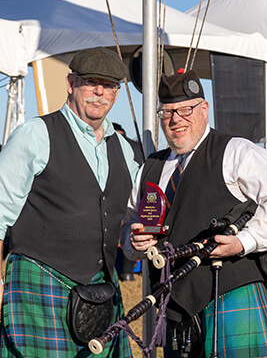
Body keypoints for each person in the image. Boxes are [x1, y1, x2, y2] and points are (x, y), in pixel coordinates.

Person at [0, 47, 139, 357]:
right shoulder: (35, 135)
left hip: (101, 287)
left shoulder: (123, 149)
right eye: (91, 82)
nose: (100, 92)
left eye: (110, 85)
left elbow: (134, 212)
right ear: (70, 83)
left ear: (116, 93)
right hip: (40, 283)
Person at [121, 68, 267, 358]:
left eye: (186, 110)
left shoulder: (236, 151)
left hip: (231, 291)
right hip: (174, 309)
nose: (176, 119)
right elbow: (128, 225)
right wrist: (133, 241)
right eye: (167, 112)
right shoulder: (149, 168)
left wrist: (243, 242)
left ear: (204, 109)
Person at [113, 122, 143, 281]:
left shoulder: (111, 145)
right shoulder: (136, 146)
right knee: (132, 233)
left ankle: (124, 273)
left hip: (116, 199)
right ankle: (128, 273)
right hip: (135, 198)